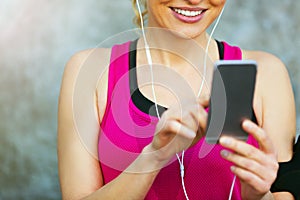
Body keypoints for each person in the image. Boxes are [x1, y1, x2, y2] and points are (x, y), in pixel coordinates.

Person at [57, 0, 297, 199]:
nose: (194, 0)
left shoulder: (267, 74)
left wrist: (258, 196)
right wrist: (155, 156)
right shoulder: (89, 72)